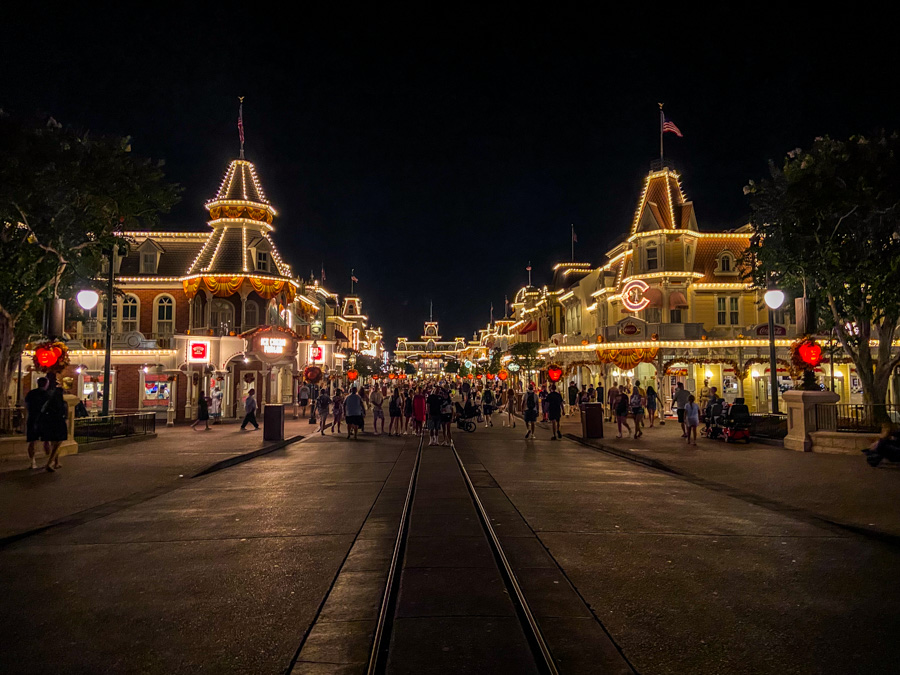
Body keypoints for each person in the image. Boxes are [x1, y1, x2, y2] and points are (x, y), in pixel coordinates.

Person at [40, 385, 69, 472]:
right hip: (59, 423)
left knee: (53, 443)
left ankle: (56, 462)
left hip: (49, 423)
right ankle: (49, 463)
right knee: (57, 444)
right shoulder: (63, 403)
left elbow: (43, 411)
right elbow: (66, 415)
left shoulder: (49, 402)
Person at [24, 377, 50, 469]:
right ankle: (48, 461)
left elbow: (26, 405)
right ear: (46, 384)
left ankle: (32, 462)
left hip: (32, 419)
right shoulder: (48, 395)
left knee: (32, 441)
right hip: (44, 420)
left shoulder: (31, 393)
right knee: (47, 441)